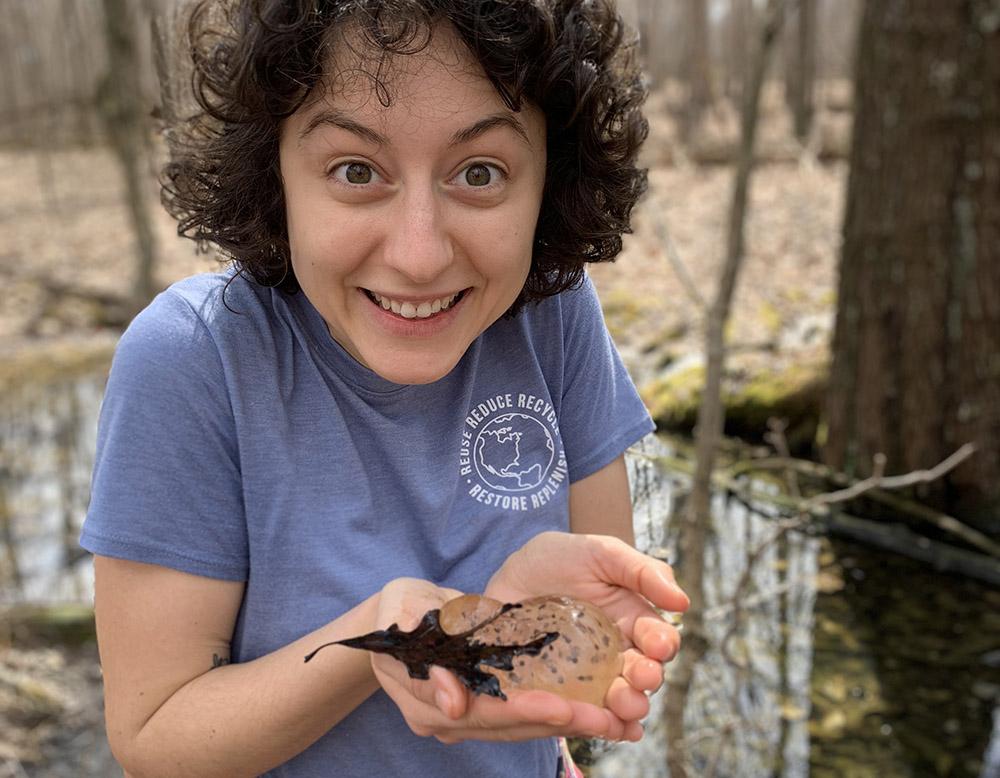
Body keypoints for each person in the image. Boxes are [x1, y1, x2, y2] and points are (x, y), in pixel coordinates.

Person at [80, 1, 689, 776]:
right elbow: (153, 736)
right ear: (275, 170)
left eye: (480, 173)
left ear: (549, 181)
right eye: (357, 171)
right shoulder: (194, 360)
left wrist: (557, 675)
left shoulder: (552, 315)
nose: (419, 254)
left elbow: (597, 644)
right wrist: (382, 635)